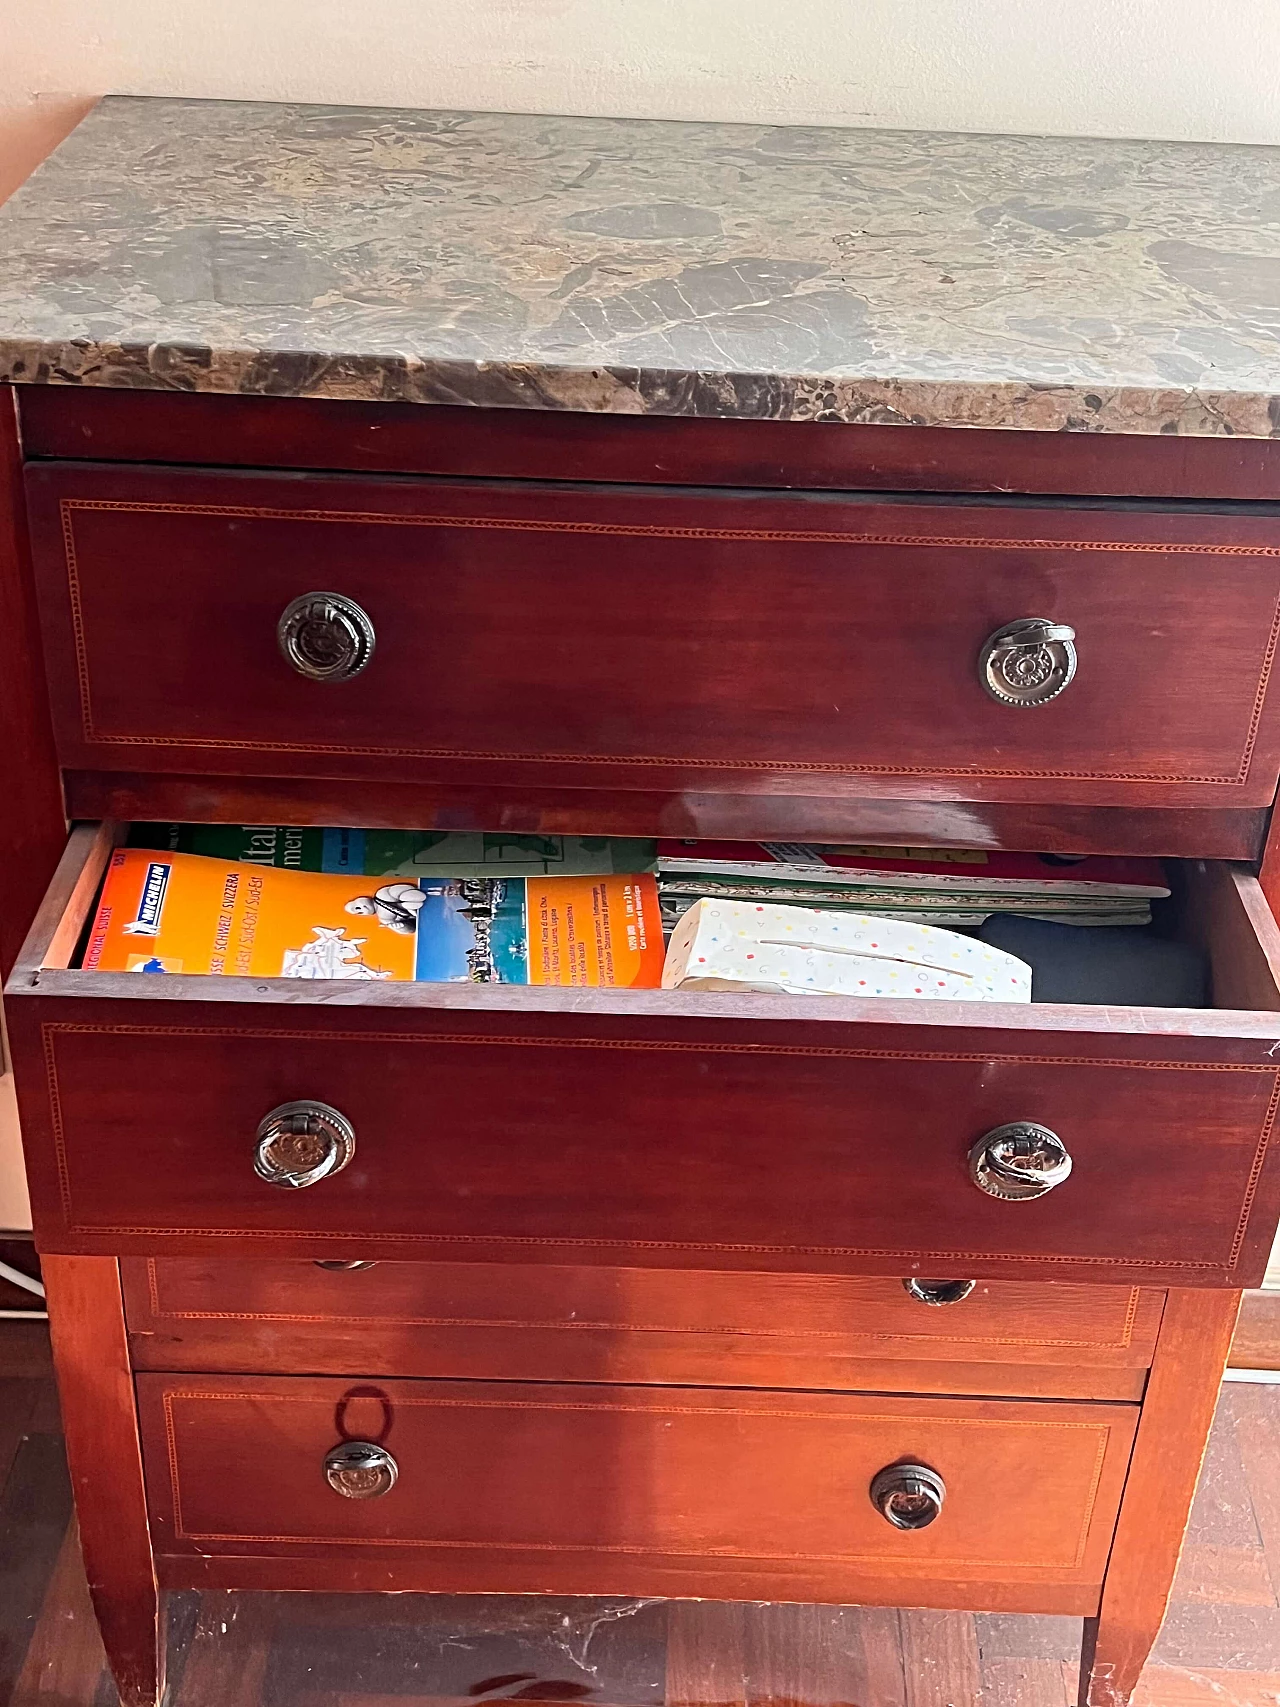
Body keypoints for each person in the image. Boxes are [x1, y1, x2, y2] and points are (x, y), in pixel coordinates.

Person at [345, 881, 426, 934]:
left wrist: (406, 897)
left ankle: (410, 904)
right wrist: (401, 927)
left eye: (355, 905)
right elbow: (410, 929)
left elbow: (404, 889)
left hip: (418, 902)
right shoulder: (384, 919)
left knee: (409, 900)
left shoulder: (382, 894)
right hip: (423, 916)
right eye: (358, 912)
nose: (360, 908)